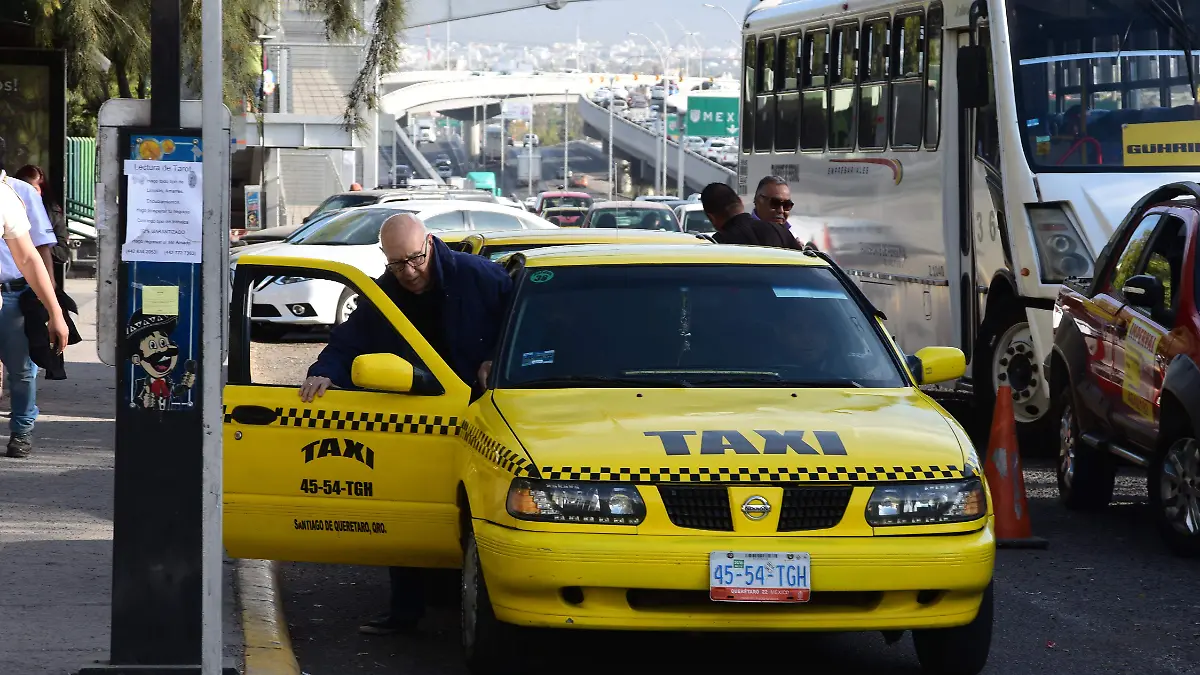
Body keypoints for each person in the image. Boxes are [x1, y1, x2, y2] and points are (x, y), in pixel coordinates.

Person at [299, 213, 512, 635]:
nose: (409, 272)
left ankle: (484, 607)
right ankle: (405, 613)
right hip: (420, 417)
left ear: (430, 244)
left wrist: (499, 362)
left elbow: (523, 327)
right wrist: (324, 371)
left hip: (483, 415)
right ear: (385, 258)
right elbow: (348, 341)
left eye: (415, 259)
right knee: (411, 510)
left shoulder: (481, 278)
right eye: (397, 264)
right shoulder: (384, 291)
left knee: (481, 514)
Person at [0, 138, 65, 458]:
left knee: (21, 370)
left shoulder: (13, 194)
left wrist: (51, 303)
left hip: (14, 293)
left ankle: (21, 430)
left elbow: (35, 252)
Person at [13, 165, 69, 289]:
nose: (27, 194)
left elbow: (63, 253)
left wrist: (38, 244)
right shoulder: (9, 208)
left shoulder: (51, 213)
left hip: (36, 283)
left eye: (33, 189)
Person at [700, 182, 800, 249]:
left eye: (787, 205)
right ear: (740, 202)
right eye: (775, 203)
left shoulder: (718, 245)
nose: (781, 210)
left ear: (711, 218)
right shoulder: (779, 231)